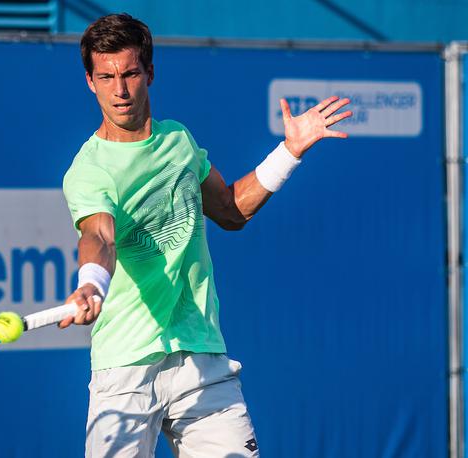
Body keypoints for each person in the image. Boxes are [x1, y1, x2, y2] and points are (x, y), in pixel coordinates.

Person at [59, 13, 351, 458]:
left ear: (149, 73)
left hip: (200, 354)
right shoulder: (89, 169)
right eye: (107, 77)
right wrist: (92, 283)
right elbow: (100, 235)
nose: (119, 90)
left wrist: (289, 151)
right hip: (126, 367)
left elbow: (231, 211)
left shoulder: (178, 140)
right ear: (90, 82)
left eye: (131, 73)